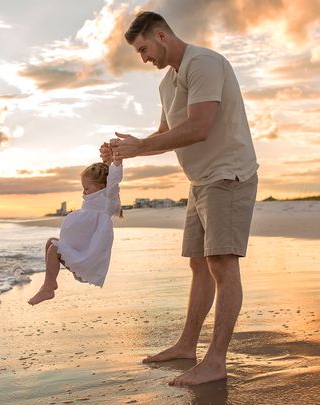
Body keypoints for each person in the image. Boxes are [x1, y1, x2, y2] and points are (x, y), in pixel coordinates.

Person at [103, 11, 259, 385]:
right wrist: (128, 149)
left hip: (229, 174)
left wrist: (140, 147)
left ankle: (216, 360)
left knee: (222, 263)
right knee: (198, 264)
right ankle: (187, 345)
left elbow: (199, 127)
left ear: (161, 35)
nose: (144, 58)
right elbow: (164, 134)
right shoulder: (167, 84)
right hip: (200, 181)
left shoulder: (202, 63)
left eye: (143, 49)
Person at [28, 146, 123, 306]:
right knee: (51, 242)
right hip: (81, 253)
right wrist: (106, 162)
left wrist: (117, 160)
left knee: (54, 249)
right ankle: (51, 282)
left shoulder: (107, 199)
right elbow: (105, 175)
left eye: (86, 188)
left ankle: (48, 288)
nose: (83, 192)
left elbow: (113, 179)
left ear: (101, 187)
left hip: (89, 257)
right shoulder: (95, 196)